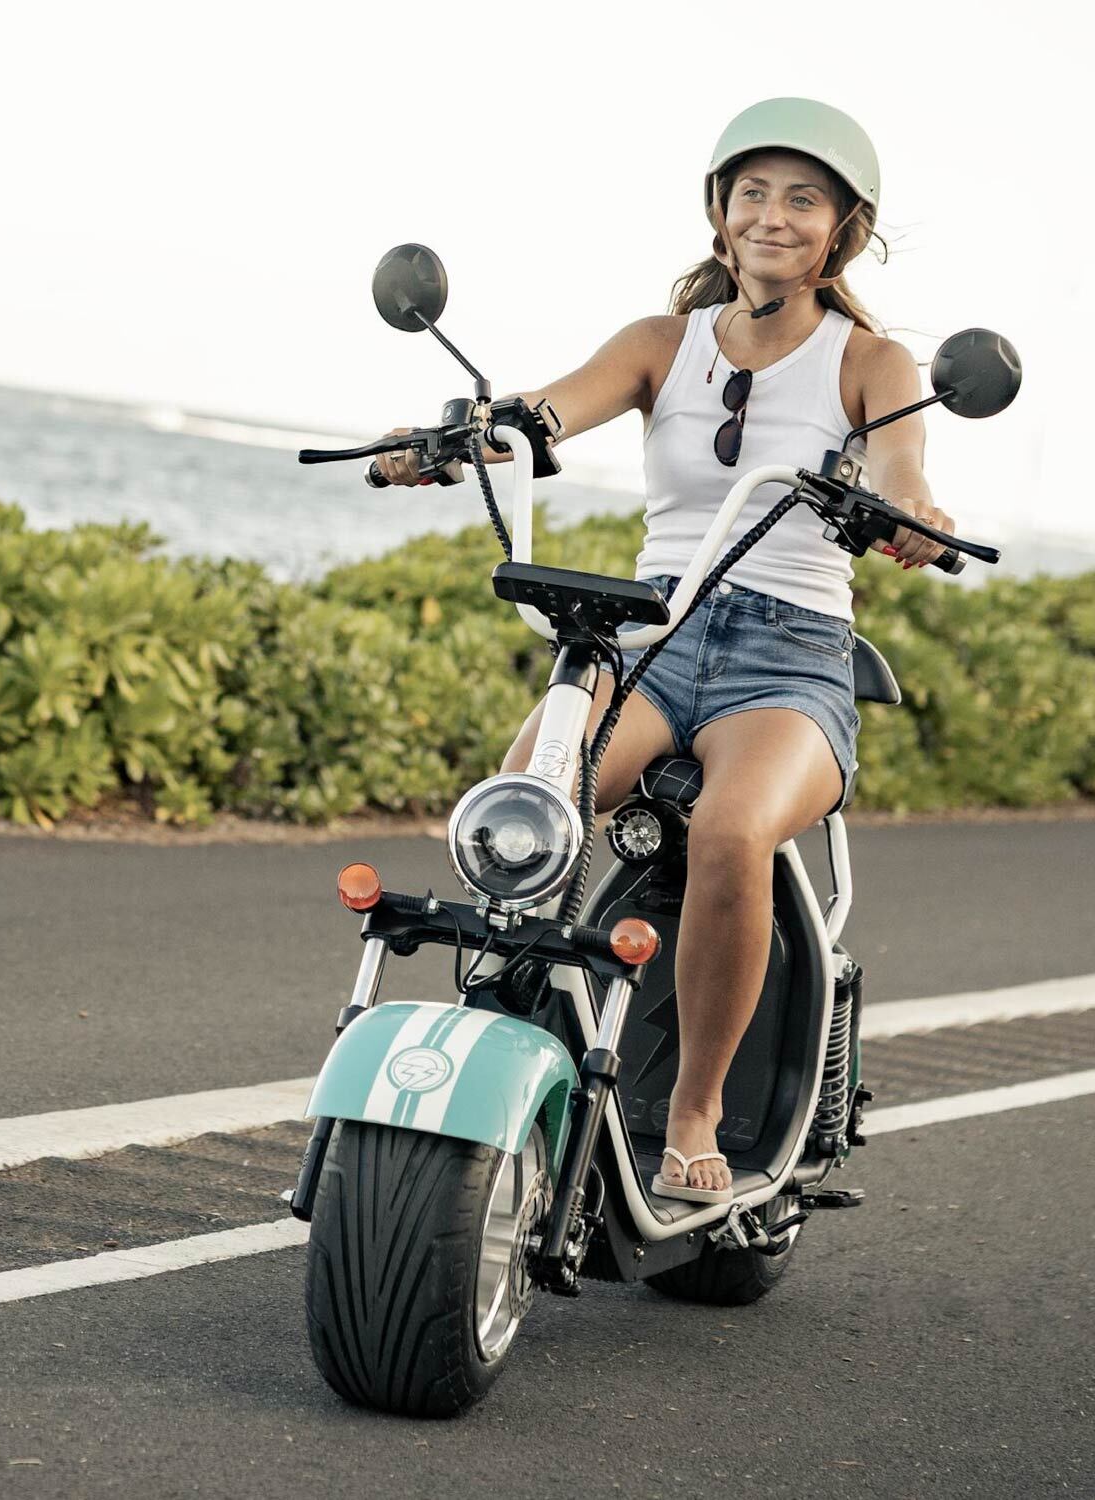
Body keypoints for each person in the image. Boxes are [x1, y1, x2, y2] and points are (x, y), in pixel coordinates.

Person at [374, 97, 955, 1203]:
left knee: (733, 829)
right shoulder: (661, 345)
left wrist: (908, 514)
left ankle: (693, 1114)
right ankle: (505, 1035)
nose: (774, 216)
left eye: (803, 199)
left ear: (843, 229)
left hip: (789, 659)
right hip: (657, 636)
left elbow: (903, 471)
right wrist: (452, 442)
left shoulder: (872, 362)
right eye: (754, 194)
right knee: (528, 805)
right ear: (718, 213)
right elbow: (540, 414)